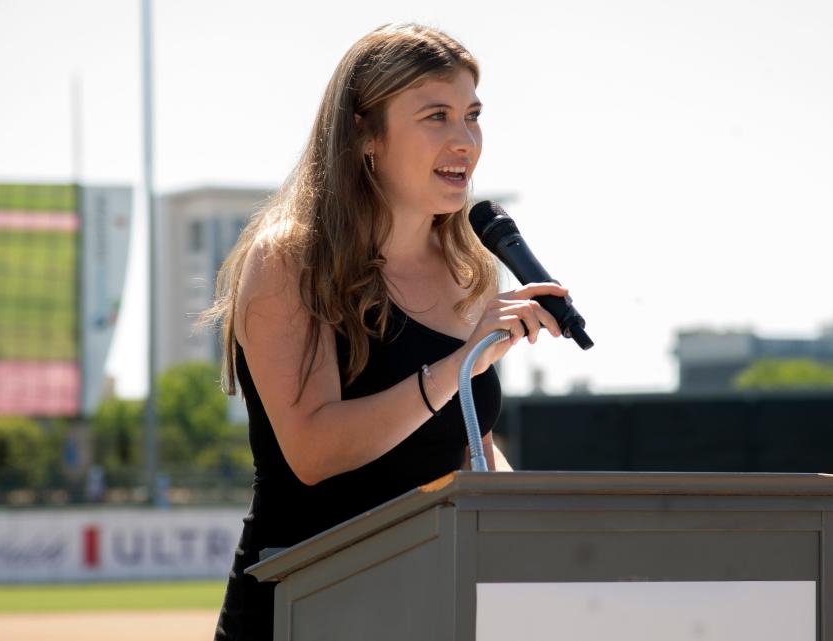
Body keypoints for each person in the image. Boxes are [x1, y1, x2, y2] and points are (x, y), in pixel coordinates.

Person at [202, 23, 569, 640]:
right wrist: (457, 368)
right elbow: (314, 453)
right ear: (366, 135)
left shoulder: (470, 269)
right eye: (437, 116)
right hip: (302, 607)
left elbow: (459, 443)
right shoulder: (291, 259)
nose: (465, 141)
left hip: (426, 608)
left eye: (472, 116)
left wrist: (524, 512)